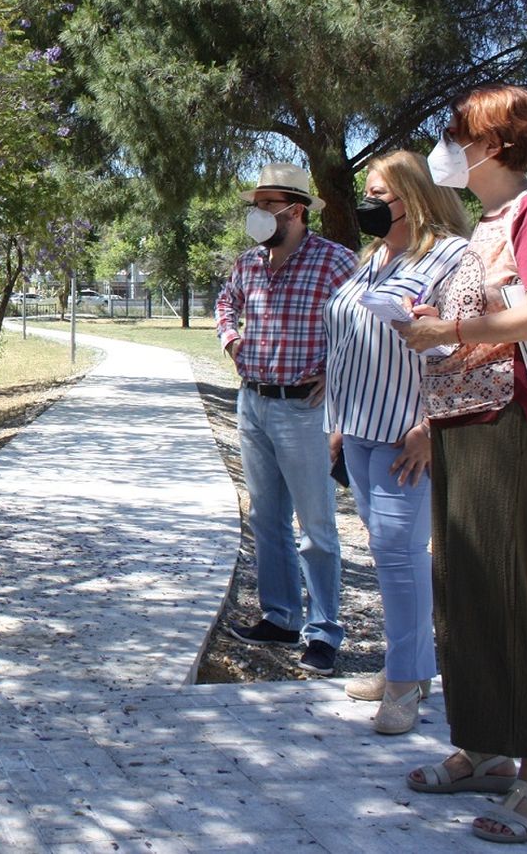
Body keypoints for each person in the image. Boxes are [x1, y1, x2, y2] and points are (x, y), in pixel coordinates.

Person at [396, 86, 527, 844]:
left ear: (493, 143)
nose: (447, 146)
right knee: (462, 590)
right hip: (466, 418)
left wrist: (452, 325)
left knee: (505, 592)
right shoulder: (486, 225)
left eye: (457, 134)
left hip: (513, 418)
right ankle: (485, 748)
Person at [322, 151, 469, 734]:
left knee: (399, 560)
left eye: (381, 195)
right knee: (390, 559)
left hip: (406, 436)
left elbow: (465, 349)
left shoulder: (451, 256)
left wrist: (433, 425)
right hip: (358, 430)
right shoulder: (372, 257)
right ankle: (408, 665)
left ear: (417, 195)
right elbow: (349, 343)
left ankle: (405, 684)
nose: (369, 205)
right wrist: (336, 423)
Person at [216, 161, 357, 677]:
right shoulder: (248, 264)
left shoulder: (336, 263)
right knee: (266, 519)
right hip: (253, 403)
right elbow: (225, 305)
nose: (257, 215)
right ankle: (280, 617)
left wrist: (337, 374)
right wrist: (230, 337)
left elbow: (369, 324)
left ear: (295, 211)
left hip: (306, 411)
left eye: (266, 206)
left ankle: (323, 633)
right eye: (254, 205)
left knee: (315, 527)